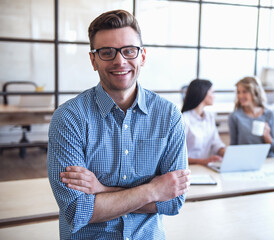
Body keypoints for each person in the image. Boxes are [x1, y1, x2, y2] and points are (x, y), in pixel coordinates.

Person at [47, 9, 190, 239]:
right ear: (93, 60)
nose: (119, 61)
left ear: (142, 56)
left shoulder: (168, 115)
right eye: (107, 52)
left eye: (129, 51)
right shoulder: (69, 118)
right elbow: (77, 210)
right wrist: (153, 190)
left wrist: (102, 191)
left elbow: (173, 202)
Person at [228, 76, 274, 157]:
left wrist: (267, 136)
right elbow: (233, 146)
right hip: (244, 159)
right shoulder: (235, 117)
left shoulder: (270, 114)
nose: (240, 96)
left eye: (244, 92)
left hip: (266, 159)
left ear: (254, 92)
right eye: (238, 92)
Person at [181, 79, 225, 165]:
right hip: (188, 168)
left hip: (205, 167)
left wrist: (225, 152)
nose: (214, 96)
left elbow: (216, 143)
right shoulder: (184, 119)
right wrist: (203, 161)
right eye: (212, 92)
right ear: (203, 93)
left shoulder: (210, 117)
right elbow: (177, 155)